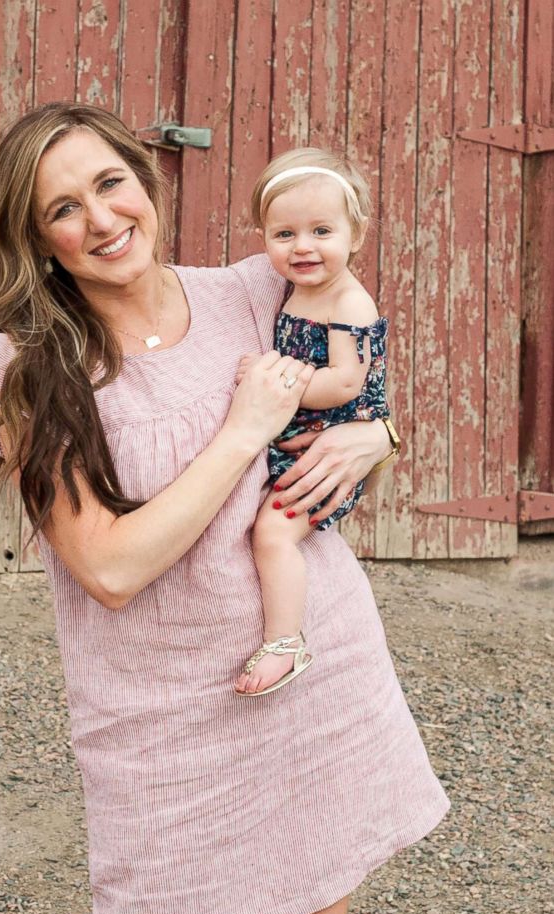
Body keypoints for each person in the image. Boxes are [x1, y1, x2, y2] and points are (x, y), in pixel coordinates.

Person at [0, 103, 449, 914]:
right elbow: (109, 568)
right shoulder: (35, 370)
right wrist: (241, 430)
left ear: (147, 183)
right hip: (159, 716)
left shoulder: (258, 292)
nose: (104, 219)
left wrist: (380, 435)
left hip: (313, 669)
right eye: (63, 208)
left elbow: (352, 402)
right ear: (36, 240)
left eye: (112, 183)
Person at [234, 149, 391, 697]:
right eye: (284, 234)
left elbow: (346, 383)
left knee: (273, 531)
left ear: (357, 234)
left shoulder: (349, 301)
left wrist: (278, 376)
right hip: (296, 438)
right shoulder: (294, 287)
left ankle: (285, 642)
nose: (303, 246)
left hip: (328, 453)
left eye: (321, 230)